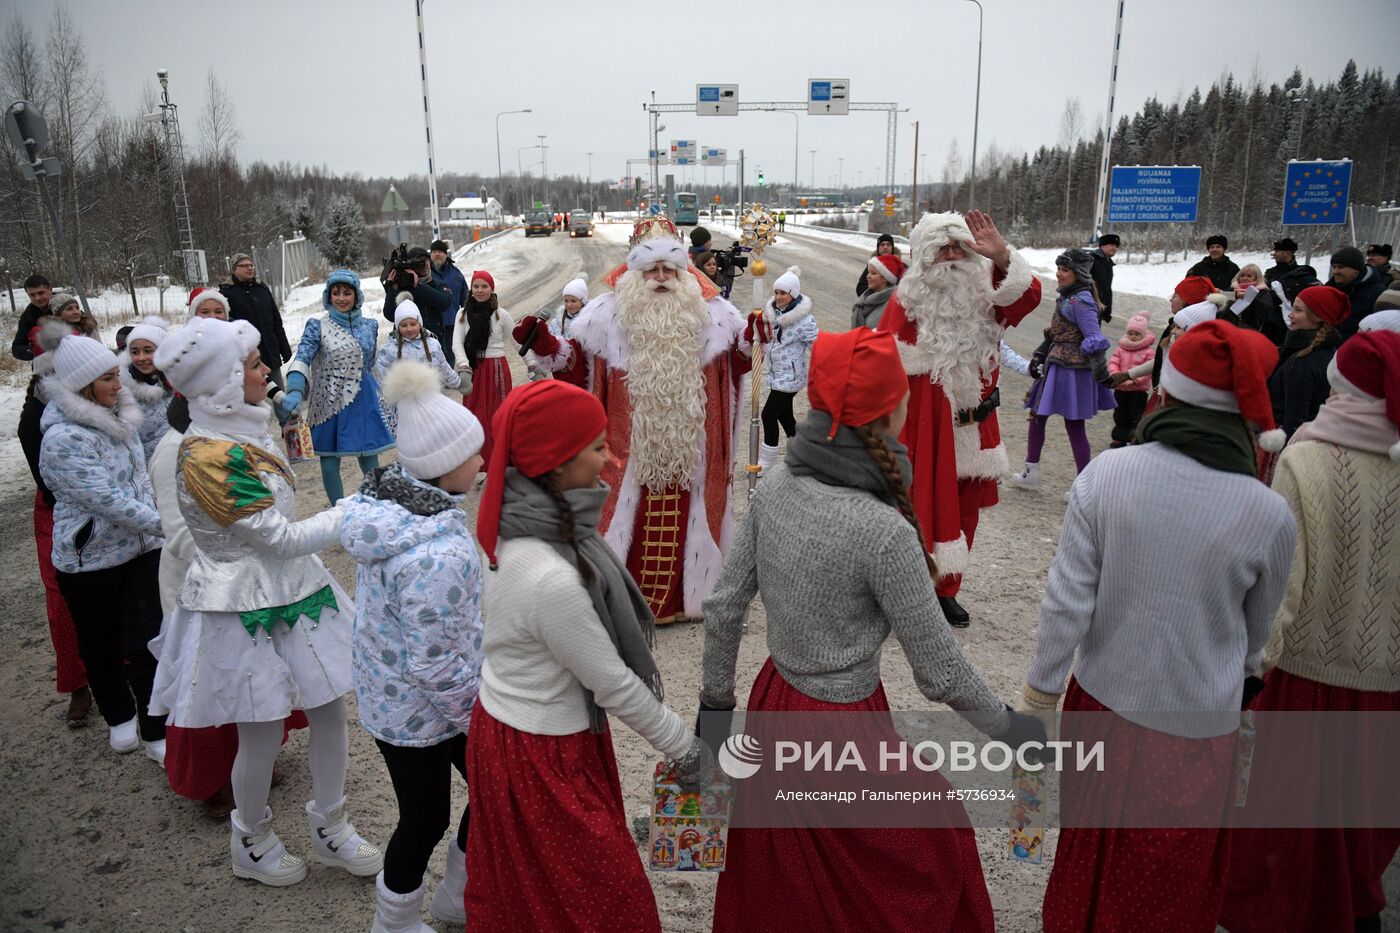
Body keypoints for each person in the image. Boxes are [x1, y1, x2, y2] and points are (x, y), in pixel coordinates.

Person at [701, 327, 1044, 933]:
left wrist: (714, 721)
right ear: (894, 408)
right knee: (932, 845)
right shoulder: (882, 531)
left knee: (791, 879)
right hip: (842, 728)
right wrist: (1012, 729)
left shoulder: (776, 485)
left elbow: (725, 607)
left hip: (773, 703)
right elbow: (940, 672)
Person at [1021, 320, 1296, 933]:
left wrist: (1039, 694)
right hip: (1198, 721)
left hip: (1101, 702)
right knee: (1166, 874)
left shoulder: (1108, 476)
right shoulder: (1267, 513)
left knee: (1088, 851)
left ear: (1163, 394)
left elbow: (1067, 605)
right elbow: (1256, 639)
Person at [467, 379, 714, 931]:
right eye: (598, 446)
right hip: (540, 749)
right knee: (604, 893)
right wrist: (684, 748)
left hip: (514, 731)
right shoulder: (552, 573)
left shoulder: (527, 522)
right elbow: (613, 683)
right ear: (556, 463)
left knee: (539, 886)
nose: (610, 457)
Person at [147, 316, 382, 887]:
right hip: (240, 602)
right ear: (224, 381)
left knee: (329, 707)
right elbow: (276, 538)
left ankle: (331, 824)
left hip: (294, 589)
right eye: (253, 365)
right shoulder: (209, 456)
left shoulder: (242, 430)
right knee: (262, 728)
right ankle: (250, 839)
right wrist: (353, 512)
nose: (266, 371)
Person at [1220, 330, 1400, 933]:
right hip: (1387, 678)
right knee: (1365, 818)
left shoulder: (1307, 455)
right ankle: (1357, 911)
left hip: (1305, 673)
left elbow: (1283, 583)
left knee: (1286, 820)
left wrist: (1252, 669)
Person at [525, 217, 752, 623]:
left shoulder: (713, 315)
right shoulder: (604, 316)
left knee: (687, 521)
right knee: (628, 522)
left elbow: (738, 362)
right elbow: (577, 368)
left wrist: (756, 335)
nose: (661, 278)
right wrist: (546, 345)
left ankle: (685, 601)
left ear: (684, 271)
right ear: (635, 271)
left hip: (690, 450)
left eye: (669, 269)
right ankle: (623, 599)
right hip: (627, 449)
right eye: (652, 270)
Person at [341, 360, 485, 930]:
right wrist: (479, 718)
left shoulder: (396, 513)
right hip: (422, 713)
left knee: (491, 794)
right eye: (474, 453)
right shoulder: (434, 553)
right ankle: (394, 920)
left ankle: (456, 894)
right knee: (424, 821)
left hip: (394, 698)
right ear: (446, 467)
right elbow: (434, 661)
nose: (482, 461)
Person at [148, 377, 306, 820]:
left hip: (249, 583)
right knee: (216, 686)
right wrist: (245, 545)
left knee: (255, 678)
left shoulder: (239, 437)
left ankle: (254, 761)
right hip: (205, 588)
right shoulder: (178, 450)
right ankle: (212, 781)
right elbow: (178, 532)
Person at [875, 210, 1041, 627]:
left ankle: (948, 589)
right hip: (924, 428)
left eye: (959, 247)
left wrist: (1001, 255)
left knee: (965, 512)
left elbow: (1028, 296)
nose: (952, 256)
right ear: (924, 256)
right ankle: (908, 592)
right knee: (917, 509)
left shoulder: (985, 292)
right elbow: (878, 365)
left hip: (974, 426)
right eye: (943, 248)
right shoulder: (906, 300)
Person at [37, 334, 166, 761]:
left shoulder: (122, 419)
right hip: (89, 561)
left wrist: (157, 522)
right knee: (100, 645)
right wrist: (169, 525)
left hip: (141, 552)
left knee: (148, 641)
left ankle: (155, 726)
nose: (120, 385)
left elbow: (140, 481)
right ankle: (119, 717)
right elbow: (107, 501)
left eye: (117, 375)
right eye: (109, 378)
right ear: (81, 384)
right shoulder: (63, 439)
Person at [17, 319, 90, 727]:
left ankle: (123, 671)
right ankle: (78, 685)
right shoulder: (35, 417)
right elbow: (52, 482)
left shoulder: (101, 397)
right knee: (62, 602)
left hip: (108, 508)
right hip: (58, 511)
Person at [1007, 249, 1115, 495]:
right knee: (1037, 415)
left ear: (1079, 273)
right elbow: (1058, 332)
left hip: (1073, 370)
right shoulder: (1068, 297)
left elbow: (1093, 337)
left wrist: (1101, 374)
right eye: (1058, 268)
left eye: (1065, 270)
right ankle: (1031, 470)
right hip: (1057, 364)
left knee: (1074, 424)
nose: (1058, 274)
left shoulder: (1081, 300)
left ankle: (1084, 484)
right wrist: (1040, 354)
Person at [285, 270, 396, 504]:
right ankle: (338, 511)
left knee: (368, 454)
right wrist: (295, 387)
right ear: (329, 296)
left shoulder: (370, 325)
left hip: (363, 396)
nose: (342, 298)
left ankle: (374, 505)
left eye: (347, 293)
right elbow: (303, 356)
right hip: (329, 398)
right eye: (336, 293)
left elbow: (372, 363)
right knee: (329, 457)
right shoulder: (317, 326)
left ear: (357, 296)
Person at [451, 270, 517, 472]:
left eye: (484, 286)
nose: (480, 290)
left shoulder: (501, 315)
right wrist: (463, 366)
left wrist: (533, 364)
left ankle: (500, 462)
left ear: (492, 289)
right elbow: (457, 343)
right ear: (471, 288)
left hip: (496, 370)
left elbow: (517, 341)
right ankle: (478, 464)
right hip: (474, 371)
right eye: (476, 286)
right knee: (475, 417)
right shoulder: (462, 314)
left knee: (498, 417)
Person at [755, 266, 819, 473]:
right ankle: (804, 456)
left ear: (793, 294)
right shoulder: (774, 313)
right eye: (776, 292)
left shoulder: (804, 320)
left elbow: (817, 345)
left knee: (768, 415)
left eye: (783, 293)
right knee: (785, 417)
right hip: (778, 374)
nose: (779, 297)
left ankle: (767, 461)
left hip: (790, 377)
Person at [1267, 284, 1350, 442]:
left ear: (1317, 317)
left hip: (1282, 442)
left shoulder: (1303, 361)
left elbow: (1295, 420)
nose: (1290, 315)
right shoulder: (1330, 351)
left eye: (1298, 310)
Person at [372, 298, 460, 434]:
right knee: (412, 441)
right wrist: (384, 405)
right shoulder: (390, 349)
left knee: (433, 437)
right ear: (397, 326)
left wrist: (458, 382)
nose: (409, 329)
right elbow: (381, 379)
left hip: (431, 402)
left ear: (419, 323)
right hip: (404, 407)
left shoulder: (433, 345)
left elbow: (444, 368)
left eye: (413, 324)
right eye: (403, 325)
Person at [221, 253, 292, 388]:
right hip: (247, 359)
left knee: (280, 396)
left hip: (270, 354)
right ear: (235, 269)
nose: (250, 268)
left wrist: (284, 348)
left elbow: (276, 322)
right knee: (252, 401)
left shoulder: (262, 289)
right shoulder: (227, 293)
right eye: (245, 265)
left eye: (251, 265)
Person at [119, 316, 174, 462]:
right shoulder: (123, 391)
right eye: (135, 352)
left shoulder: (177, 381)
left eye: (148, 351)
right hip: (151, 465)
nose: (141, 358)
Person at [520, 275, 590, 388]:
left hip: (586, 369)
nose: (569, 304)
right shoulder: (556, 322)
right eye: (566, 301)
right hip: (563, 373)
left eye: (573, 301)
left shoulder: (591, 320)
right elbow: (550, 345)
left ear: (583, 301)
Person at [1106, 313, 1155, 447]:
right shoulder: (1121, 349)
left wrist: (1134, 380)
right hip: (1121, 388)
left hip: (1138, 391)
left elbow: (1149, 370)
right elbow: (1113, 362)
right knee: (1120, 414)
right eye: (1131, 333)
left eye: (1137, 334)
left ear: (1143, 334)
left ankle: (1134, 438)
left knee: (1136, 415)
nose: (1133, 337)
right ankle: (1119, 437)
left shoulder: (1148, 352)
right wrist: (1116, 375)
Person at [381, 246, 453, 331]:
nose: (425, 265)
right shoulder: (401, 287)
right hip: (405, 341)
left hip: (432, 340)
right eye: (420, 262)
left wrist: (419, 285)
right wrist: (392, 289)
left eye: (427, 261)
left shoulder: (439, 284)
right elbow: (390, 315)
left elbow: (444, 303)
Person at [1327, 246, 1387, 338]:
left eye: (1341, 267)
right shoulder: (1329, 288)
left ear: (1356, 269)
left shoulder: (1377, 293)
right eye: (1334, 267)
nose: (1335, 271)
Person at [1224, 263, 1286, 345]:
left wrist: (1250, 297)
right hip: (1228, 330)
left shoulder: (1263, 292)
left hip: (1252, 332)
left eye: (1249, 276)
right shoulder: (1232, 290)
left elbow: (1266, 308)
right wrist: (1235, 296)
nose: (1245, 278)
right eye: (1242, 275)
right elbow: (1220, 297)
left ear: (1257, 278)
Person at [429, 239, 467, 366]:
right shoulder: (425, 274)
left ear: (446, 254)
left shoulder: (456, 274)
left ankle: (449, 383)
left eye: (440, 251)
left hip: (452, 324)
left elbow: (465, 298)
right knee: (433, 357)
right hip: (432, 325)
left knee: (450, 356)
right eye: (434, 251)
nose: (437, 254)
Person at [851, 253, 903, 330]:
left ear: (885, 277)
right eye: (869, 272)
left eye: (873, 273)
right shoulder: (864, 299)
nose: (868, 276)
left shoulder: (893, 303)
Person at [1263, 237, 1319, 304]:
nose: (1274, 254)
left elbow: (1317, 295)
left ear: (1287, 253)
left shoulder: (1302, 273)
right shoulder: (1270, 273)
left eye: (1277, 251)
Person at [12, 273, 54, 361]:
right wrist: (40, 351)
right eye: (32, 295)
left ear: (50, 289)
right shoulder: (28, 316)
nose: (37, 298)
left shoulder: (66, 304)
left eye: (41, 293)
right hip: (46, 365)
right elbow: (17, 348)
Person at [1090, 233, 1119, 322]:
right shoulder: (1092, 260)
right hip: (1089, 307)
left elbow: (1105, 288)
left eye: (1116, 246)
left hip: (1099, 308)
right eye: (1111, 245)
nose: (1114, 248)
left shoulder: (1108, 263)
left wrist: (1107, 311)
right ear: (1102, 246)